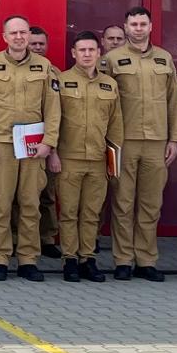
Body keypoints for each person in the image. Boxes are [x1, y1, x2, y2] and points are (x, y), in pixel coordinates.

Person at [0, 16, 60, 281]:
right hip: (2, 144)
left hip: (33, 145)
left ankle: (27, 260)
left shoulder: (44, 67)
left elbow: (53, 108)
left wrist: (49, 142)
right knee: (1, 204)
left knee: (30, 204)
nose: (19, 37)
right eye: (13, 33)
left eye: (23, 32)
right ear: (5, 37)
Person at [105, 7, 177, 281]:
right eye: (133, 24)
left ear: (151, 27)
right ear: (126, 27)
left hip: (157, 142)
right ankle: (123, 260)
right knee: (122, 203)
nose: (138, 28)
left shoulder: (164, 58)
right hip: (121, 142)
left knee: (151, 204)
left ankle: (146, 261)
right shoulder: (112, 59)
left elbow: (174, 101)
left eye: (142, 24)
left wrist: (175, 139)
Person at [49, 31, 123, 282]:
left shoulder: (109, 84)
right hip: (69, 158)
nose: (87, 54)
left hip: (98, 160)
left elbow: (116, 126)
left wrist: (113, 163)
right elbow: (53, 120)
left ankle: (87, 259)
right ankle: (70, 259)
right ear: (74, 53)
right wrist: (53, 153)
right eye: (82, 50)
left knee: (92, 213)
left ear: (99, 53)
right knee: (69, 212)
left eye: (91, 50)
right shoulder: (61, 81)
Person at [28, 26, 64, 259]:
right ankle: (19, 238)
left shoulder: (55, 73)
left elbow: (59, 114)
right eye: (34, 43)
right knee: (22, 196)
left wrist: (53, 149)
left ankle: (47, 238)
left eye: (41, 43)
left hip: (48, 143)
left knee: (48, 195)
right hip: (22, 142)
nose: (38, 47)